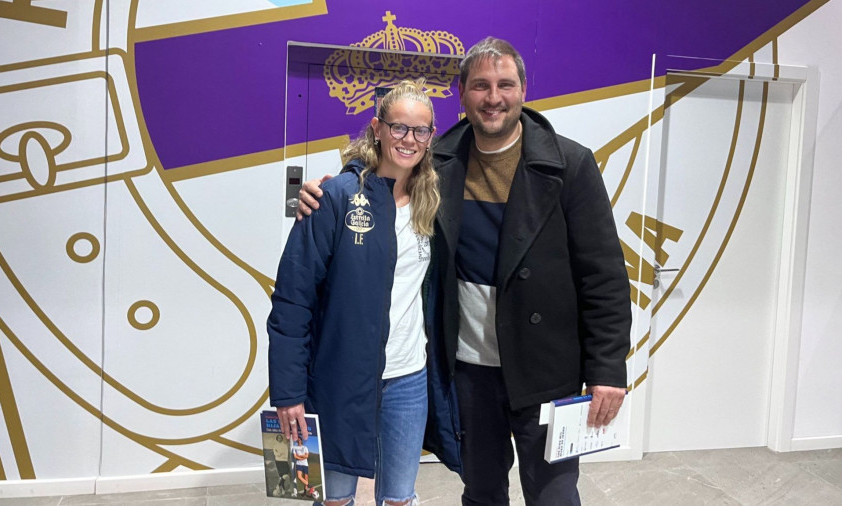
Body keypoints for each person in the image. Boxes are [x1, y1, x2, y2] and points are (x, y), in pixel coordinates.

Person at [297, 37, 631, 506]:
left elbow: (604, 276)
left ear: (523, 90)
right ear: (462, 94)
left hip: (546, 370)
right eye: (480, 86)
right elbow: (385, 164)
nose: (493, 97)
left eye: (504, 84)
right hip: (470, 372)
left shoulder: (570, 164)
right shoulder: (442, 158)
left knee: (554, 495)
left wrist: (608, 369)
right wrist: (330, 189)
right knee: (482, 491)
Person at [268, 78, 454, 506]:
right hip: (340, 378)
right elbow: (293, 301)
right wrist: (289, 392)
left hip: (408, 378)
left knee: (400, 497)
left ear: (430, 138)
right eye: (398, 127)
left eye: (420, 130)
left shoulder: (433, 202)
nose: (409, 139)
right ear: (377, 128)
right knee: (333, 498)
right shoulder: (334, 197)